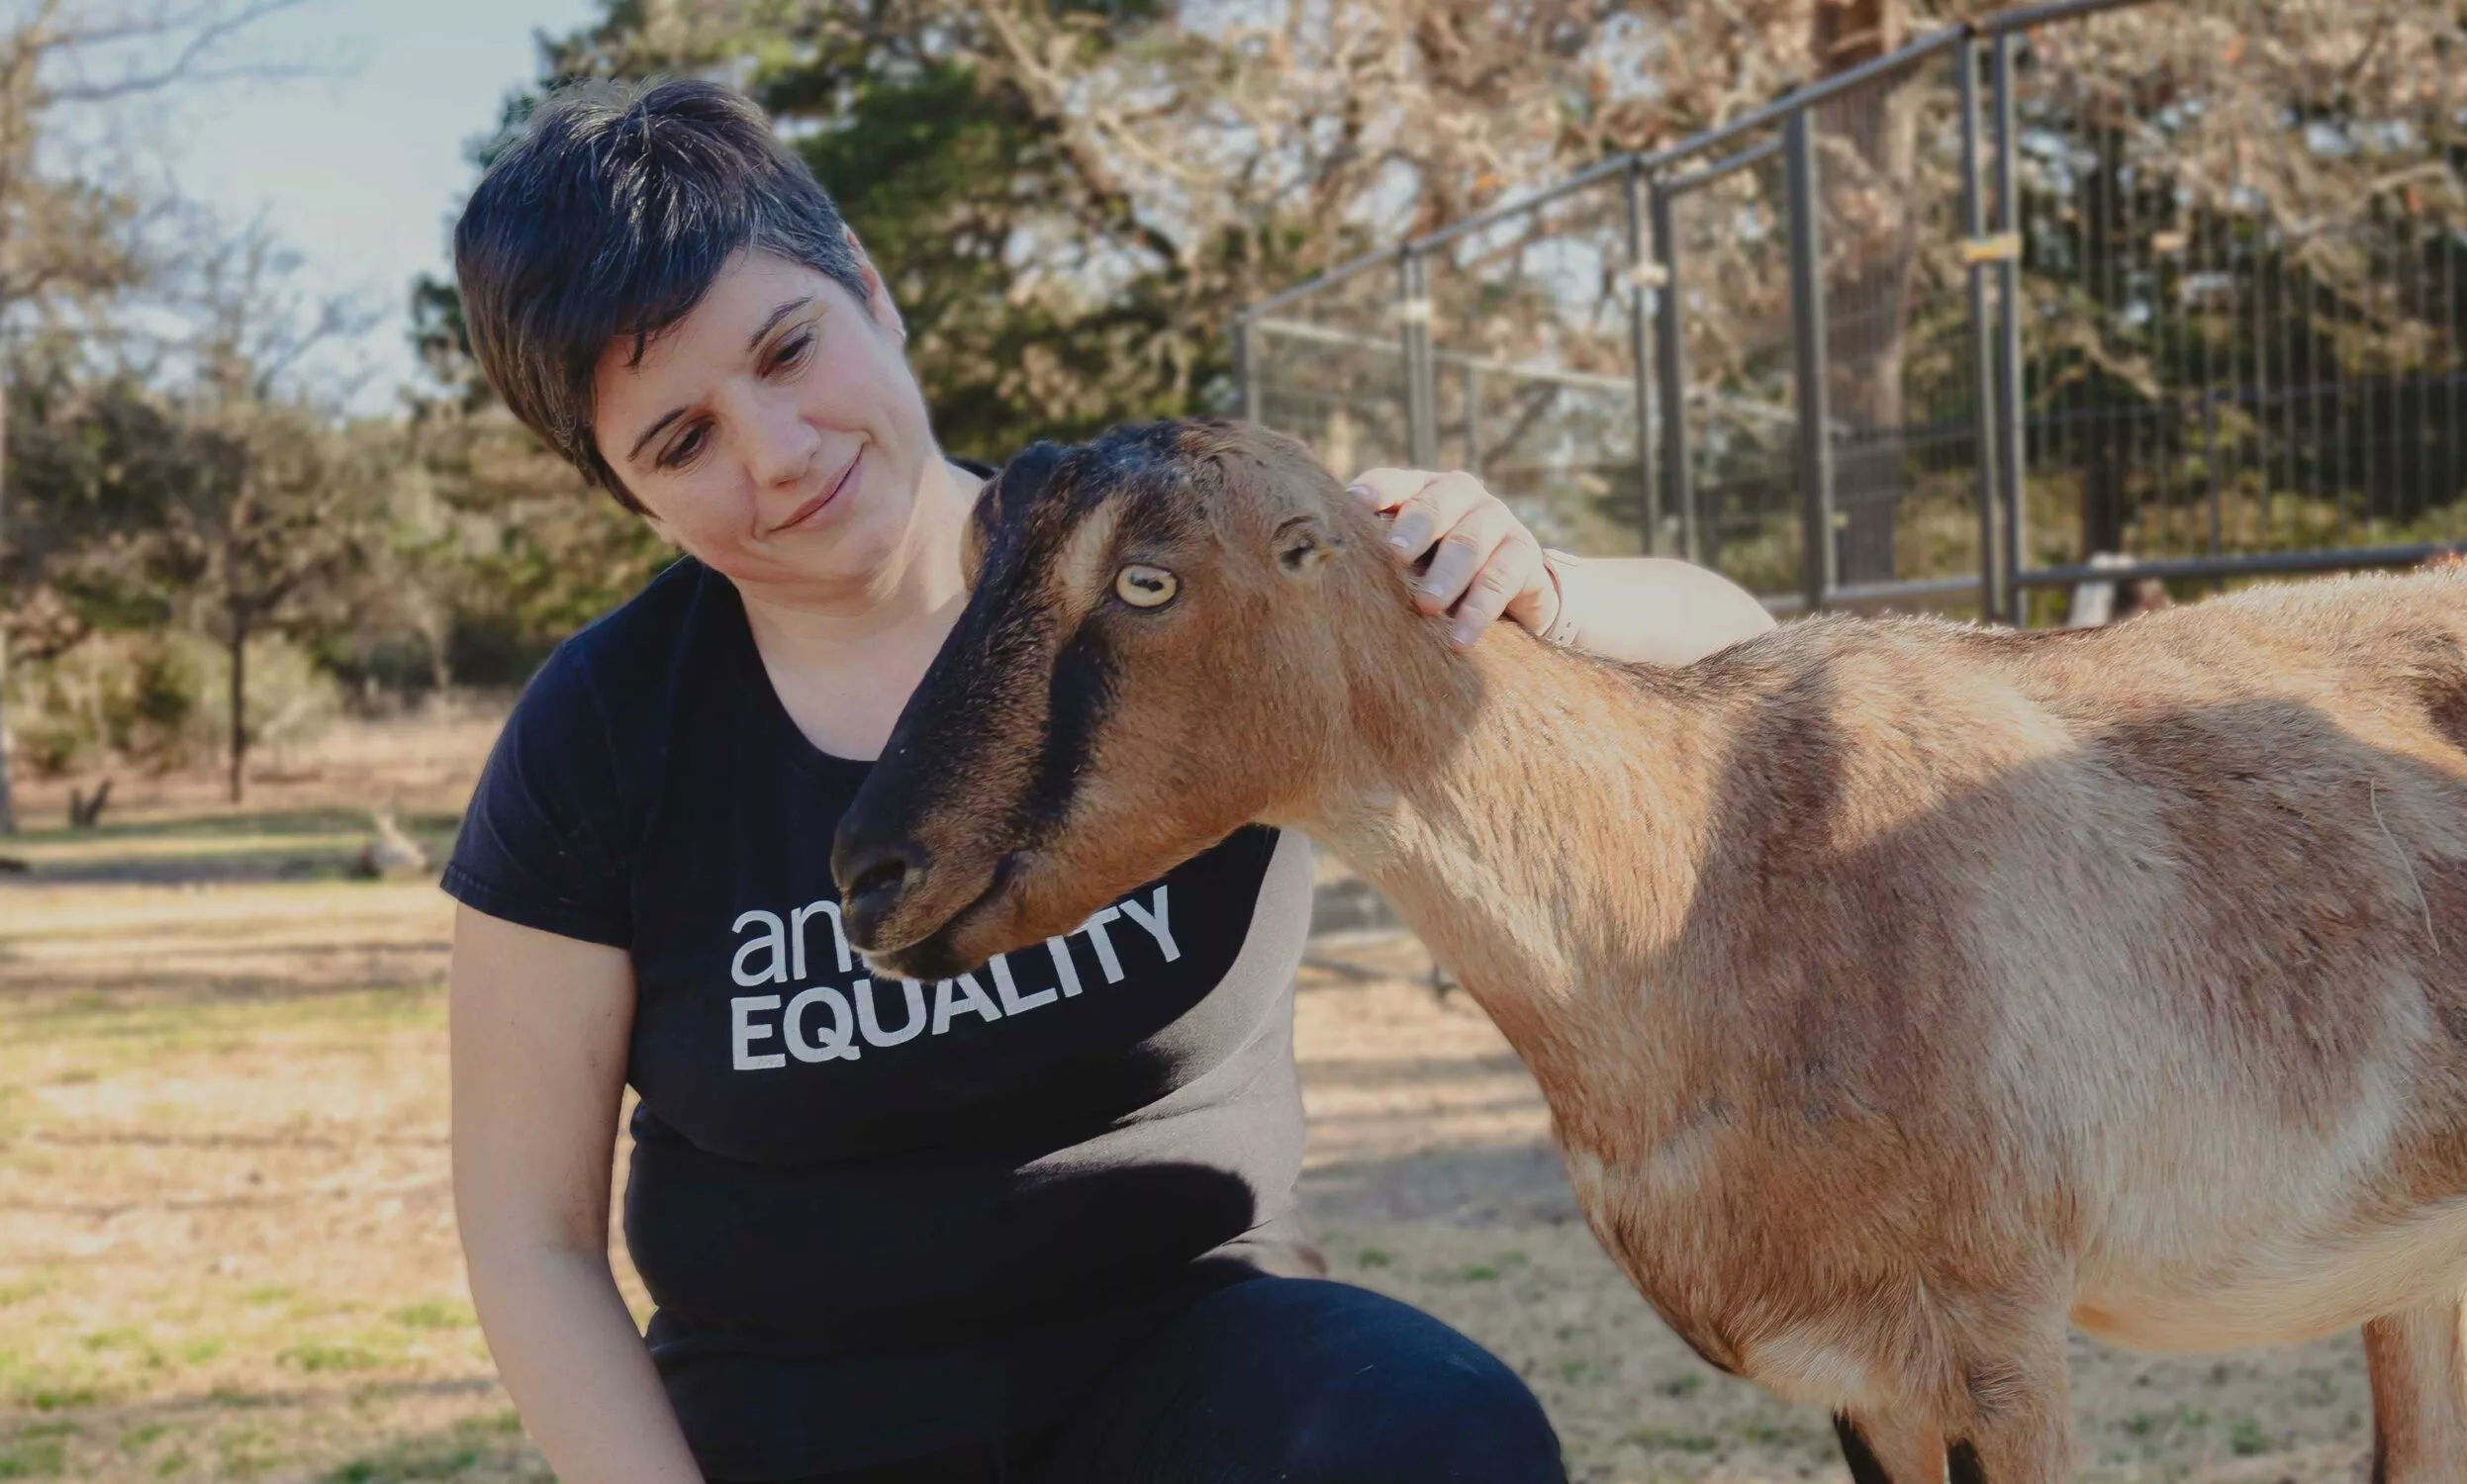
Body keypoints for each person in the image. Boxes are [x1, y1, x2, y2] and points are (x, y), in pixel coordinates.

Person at [440, 76, 1775, 1484]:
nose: (776, 456)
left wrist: (1532, 585)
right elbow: (530, 1235)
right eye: (682, 441)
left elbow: (1738, 660)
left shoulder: (1186, 565)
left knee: (1432, 1434)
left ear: (873, 293)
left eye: (787, 350)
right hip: (800, 1419)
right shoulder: (602, 732)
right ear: (624, 489)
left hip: (1199, 1368)